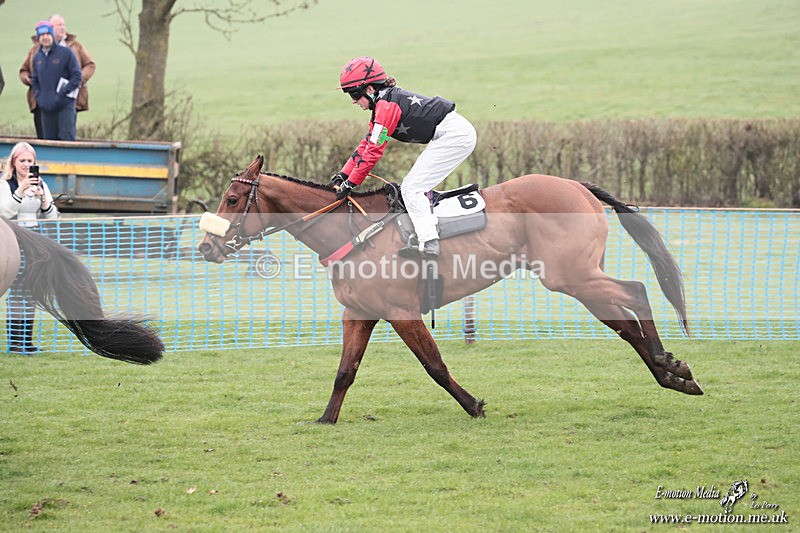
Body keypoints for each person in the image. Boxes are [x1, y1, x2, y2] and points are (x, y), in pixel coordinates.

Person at [331, 56, 477, 258]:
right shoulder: (383, 104)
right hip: (450, 134)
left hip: (455, 135)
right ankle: (425, 234)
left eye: (354, 94)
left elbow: (374, 151)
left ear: (370, 89)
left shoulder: (386, 107)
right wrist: (343, 174)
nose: (354, 101)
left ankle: (429, 243)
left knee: (411, 188)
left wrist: (352, 183)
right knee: (413, 186)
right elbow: (367, 143)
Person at [1, 142, 59, 354]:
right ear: (14, 162)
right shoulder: (5, 184)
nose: (26, 165)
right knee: (17, 290)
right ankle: (15, 341)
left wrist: (44, 201)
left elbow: (53, 217)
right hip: (13, 239)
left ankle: (27, 339)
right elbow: (4, 213)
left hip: (35, 239)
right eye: (22, 160)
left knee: (32, 289)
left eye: (30, 161)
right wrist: (20, 190)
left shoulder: (41, 184)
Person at [29, 20, 82, 141]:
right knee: (49, 142)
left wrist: (63, 92)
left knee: (67, 140)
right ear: (38, 38)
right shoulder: (37, 57)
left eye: (48, 34)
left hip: (65, 105)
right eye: (42, 35)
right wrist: (39, 97)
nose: (45, 37)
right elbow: (35, 80)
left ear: (52, 35)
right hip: (46, 107)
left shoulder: (66, 53)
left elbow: (77, 76)